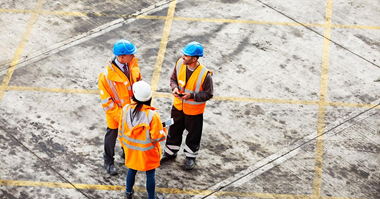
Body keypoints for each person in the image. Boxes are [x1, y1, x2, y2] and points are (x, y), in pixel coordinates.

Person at [161, 41, 213, 170]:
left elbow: (208, 94)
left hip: (194, 112)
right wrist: (174, 88)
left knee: (193, 134)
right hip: (178, 107)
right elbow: (173, 79)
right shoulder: (180, 63)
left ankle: (190, 156)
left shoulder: (205, 75)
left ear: (194, 58)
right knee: (174, 129)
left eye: (186, 55)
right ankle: (170, 152)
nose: (183, 56)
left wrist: (192, 96)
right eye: (183, 54)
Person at [98, 39, 142, 175]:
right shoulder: (106, 77)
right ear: (122, 57)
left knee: (129, 134)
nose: (134, 55)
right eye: (131, 54)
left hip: (131, 110)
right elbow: (107, 102)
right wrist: (121, 116)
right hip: (116, 113)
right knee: (111, 135)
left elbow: (139, 83)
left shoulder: (132, 64)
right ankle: (108, 161)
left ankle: (126, 152)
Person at [120, 81, 166, 199]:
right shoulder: (152, 115)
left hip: (130, 149)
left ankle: (128, 191)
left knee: (132, 170)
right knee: (150, 174)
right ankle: (151, 197)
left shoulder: (125, 109)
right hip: (147, 152)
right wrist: (162, 129)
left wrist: (123, 146)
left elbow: (121, 129)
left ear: (134, 96)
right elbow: (158, 137)